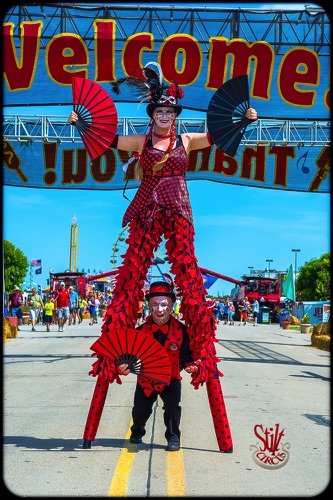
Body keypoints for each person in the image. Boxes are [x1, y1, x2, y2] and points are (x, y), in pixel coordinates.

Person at [70, 62, 257, 452]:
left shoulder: (186, 141)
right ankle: (107, 373)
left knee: (190, 282)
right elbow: (108, 140)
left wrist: (246, 121)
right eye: (159, 112)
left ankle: (201, 354)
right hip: (146, 213)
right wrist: (81, 124)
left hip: (181, 214)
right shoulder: (140, 141)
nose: (165, 118)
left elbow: (219, 134)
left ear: (175, 116)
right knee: (127, 284)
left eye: (170, 113)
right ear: (152, 115)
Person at [114, 281, 200, 451]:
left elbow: (185, 356)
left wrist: (189, 365)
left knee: (172, 408)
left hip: (171, 378)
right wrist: (123, 367)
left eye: (164, 305)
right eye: (155, 305)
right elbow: (130, 356)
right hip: (146, 379)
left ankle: (173, 436)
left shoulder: (183, 331)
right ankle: (137, 430)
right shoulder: (139, 331)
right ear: (149, 306)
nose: (160, 310)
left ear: (171, 306)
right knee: (139, 410)